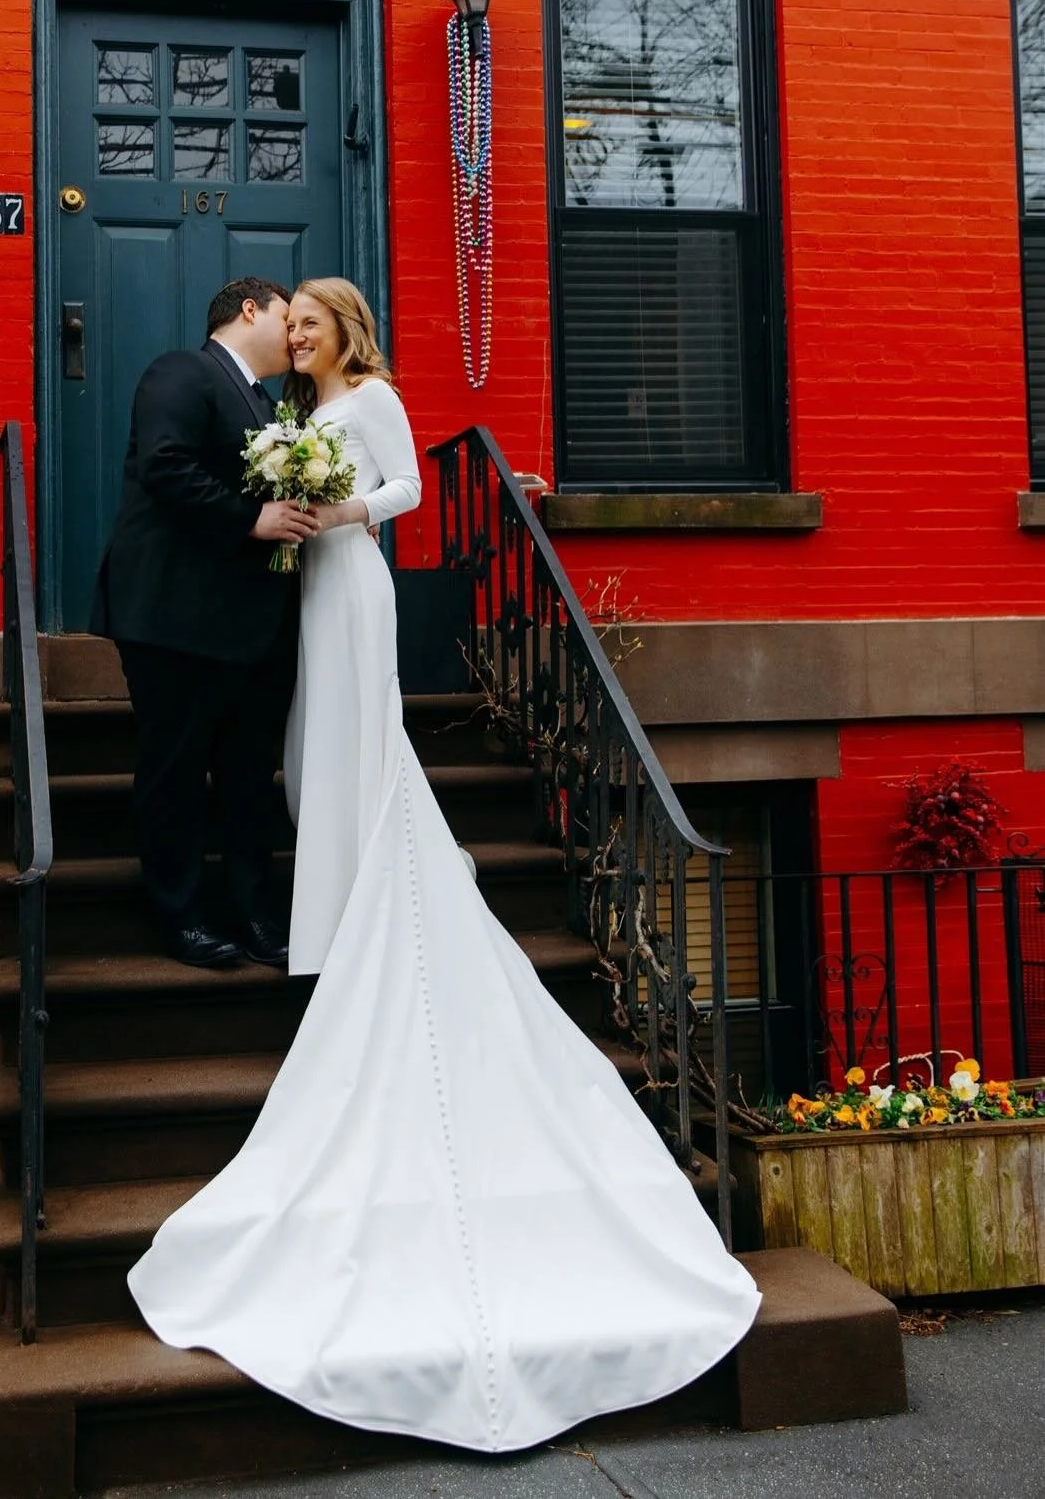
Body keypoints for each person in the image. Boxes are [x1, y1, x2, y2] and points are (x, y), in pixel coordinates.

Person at [127, 278, 761, 1451]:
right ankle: (320, 901)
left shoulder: (369, 397)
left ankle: (367, 894)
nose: (302, 336)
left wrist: (343, 513)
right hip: (297, 592)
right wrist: (293, 509)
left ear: (341, 329)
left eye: (314, 323)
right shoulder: (280, 407)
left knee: (351, 745)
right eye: (294, 325)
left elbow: (411, 490)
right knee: (305, 753)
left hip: (349, 579)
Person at [89, 276, 318, 969]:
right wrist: (254, 518)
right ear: (251, 309)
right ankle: (181, 915)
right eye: (290, 317)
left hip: (249, 626)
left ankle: (253, 912)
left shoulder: (265, 401)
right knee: (176, 770)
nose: (298, 332)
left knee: (250, 775)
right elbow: (166, 466)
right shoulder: (182, 372)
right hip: (173, 618)